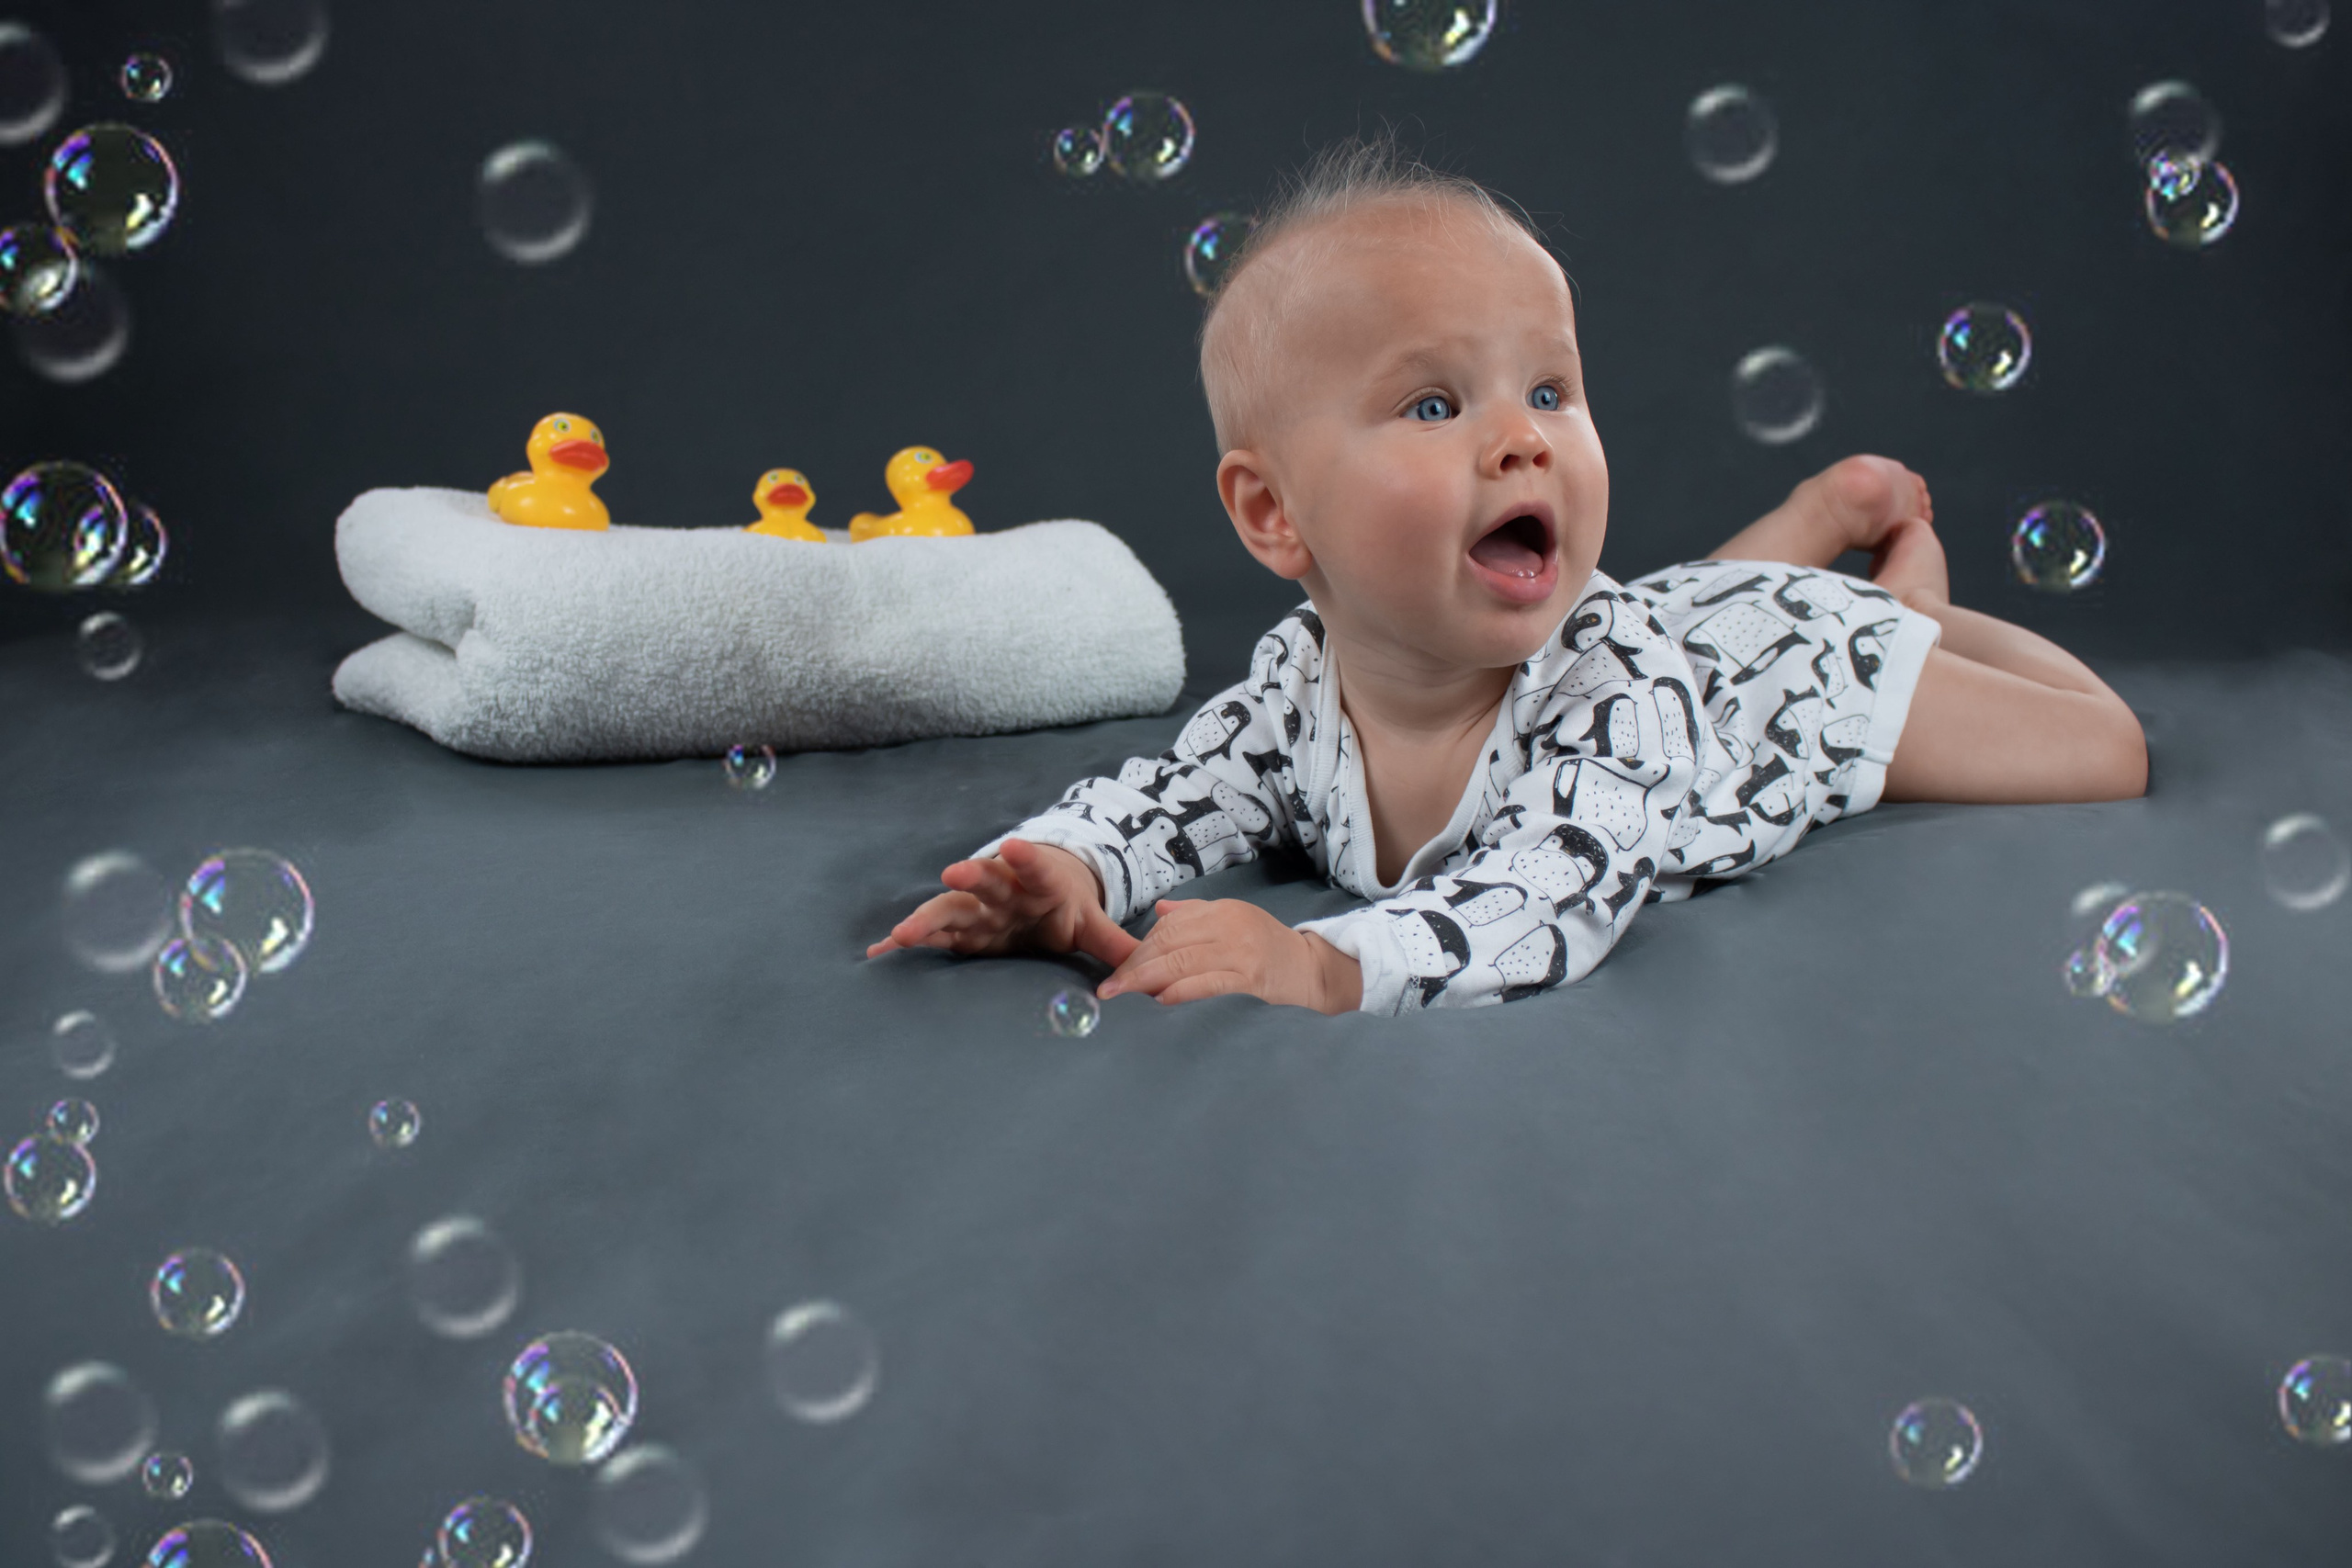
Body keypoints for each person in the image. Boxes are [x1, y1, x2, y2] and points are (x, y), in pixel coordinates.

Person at [867, 140, 2146, 1014]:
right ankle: (1820, 517)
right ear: (1273, 514)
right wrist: (1063, 867)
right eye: (1434, 404)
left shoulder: (1618, 696)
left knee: (2104, 749)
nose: (1524, 438)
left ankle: (1903, 594)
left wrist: (1323, 966)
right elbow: (1178, 795)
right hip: (1692, 630)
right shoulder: (1295, 690)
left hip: (1802, 682)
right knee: (1687, 607)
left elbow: (1551, 895)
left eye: (1550, 389)